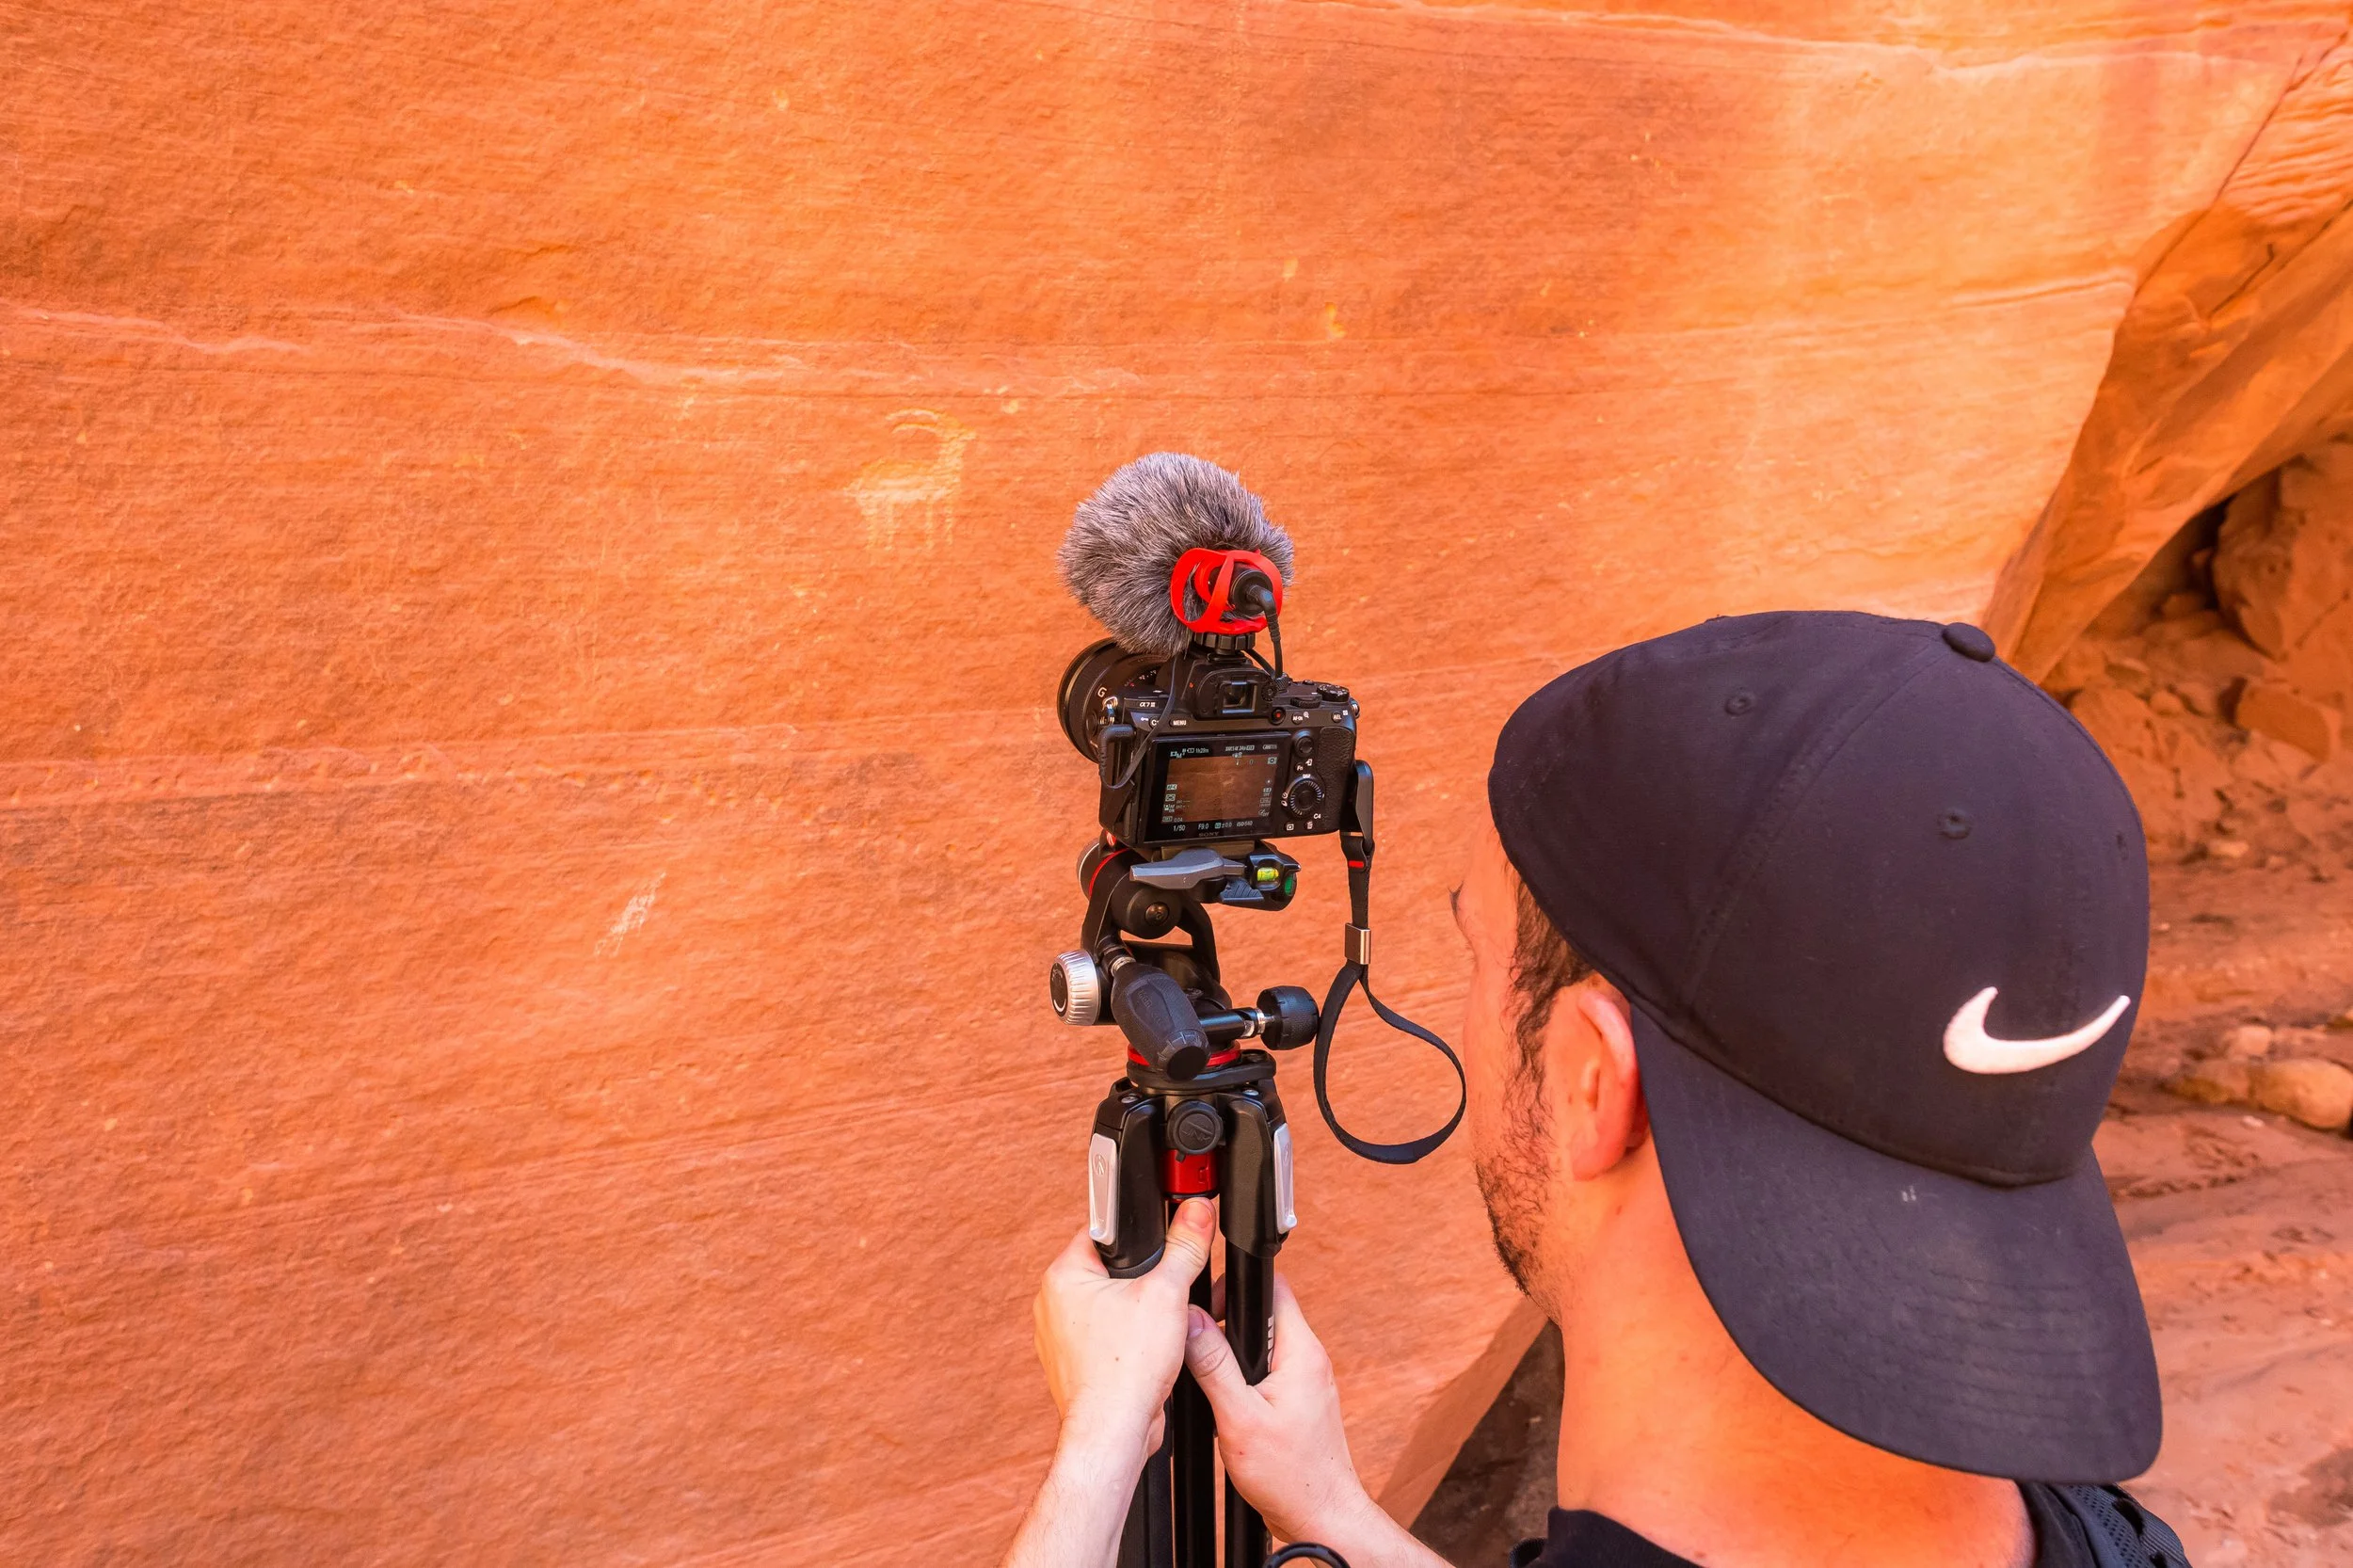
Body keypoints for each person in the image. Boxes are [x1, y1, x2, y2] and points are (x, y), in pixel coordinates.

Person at [1002, 612, 2192, 1568]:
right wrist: (1339, 1519)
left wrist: (1099, 1455)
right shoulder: (2098, 1534)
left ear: (1588, 1081)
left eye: (1475, 952)